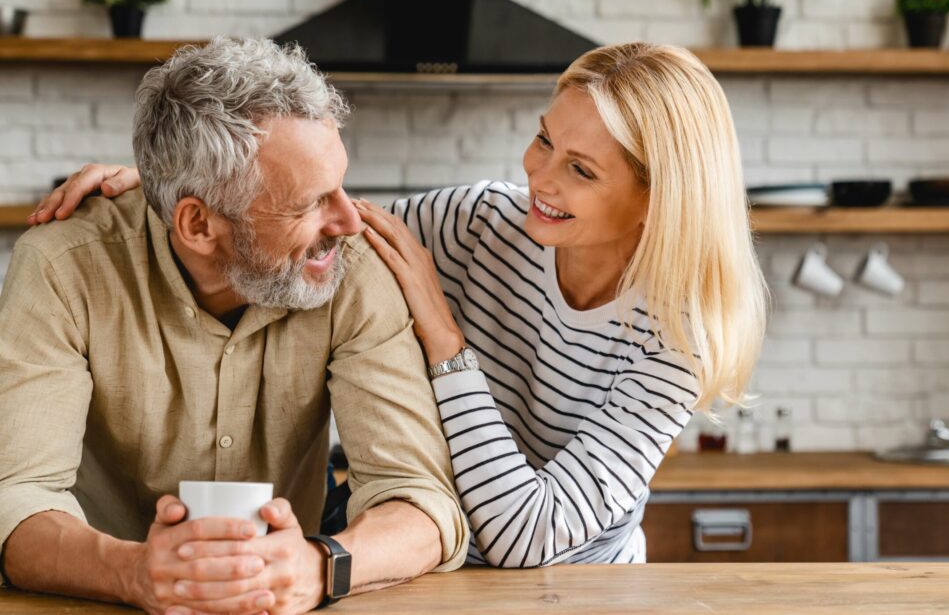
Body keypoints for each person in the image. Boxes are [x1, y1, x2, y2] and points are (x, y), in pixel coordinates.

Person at [31, 41, 768, 568]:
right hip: (425, 571)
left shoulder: (679, 337)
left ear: (657, 200)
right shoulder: (483, 220)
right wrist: (166, 183)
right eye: (543, 140)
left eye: (578, 169)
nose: (538, 175)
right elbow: (295, 220)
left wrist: (445, 340)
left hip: (573, 583)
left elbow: (529, 534)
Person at [0, 37, 468, 615]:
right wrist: (130, 572)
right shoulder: (62, 267)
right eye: (309, 203)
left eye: (341, 185)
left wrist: (323, 567)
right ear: (197, 225)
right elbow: (15, 500)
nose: (348, 220)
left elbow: (423, 503)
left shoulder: (353, 268)